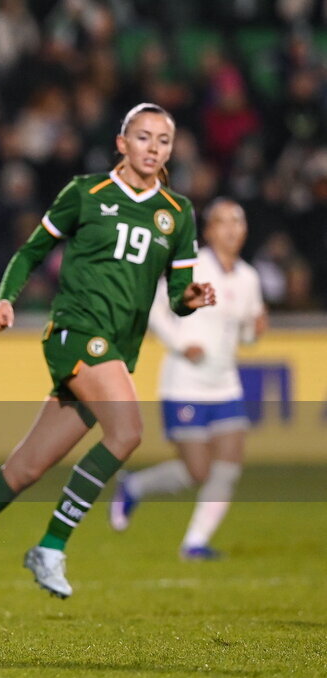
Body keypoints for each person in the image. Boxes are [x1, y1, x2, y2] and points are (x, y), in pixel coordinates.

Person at [0, 103, 216, 599]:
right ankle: (51, 546)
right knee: (128, 430)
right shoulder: (86, 193)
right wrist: (6, 297)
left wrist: (191, 299)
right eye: (143, 137)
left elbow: (177, 295)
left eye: (163, 141)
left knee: (25, 468)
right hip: (74, 332)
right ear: (121, 142)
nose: (153, 148)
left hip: (116, 350)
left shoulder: (178, 214)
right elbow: (31, 251)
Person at [109, 198, 266, 559]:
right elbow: (153, 308)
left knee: (228, 466)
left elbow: (244, 334)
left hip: (225, 384)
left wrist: (255, 331)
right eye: (223, 222)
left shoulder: (248, 278)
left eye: (238, 221)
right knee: (197, 471)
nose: (232, 228)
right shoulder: (191, 267)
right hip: (185, 384)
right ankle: (135, 485)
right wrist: (182, 344)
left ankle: (194, 542)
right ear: (208, 231)